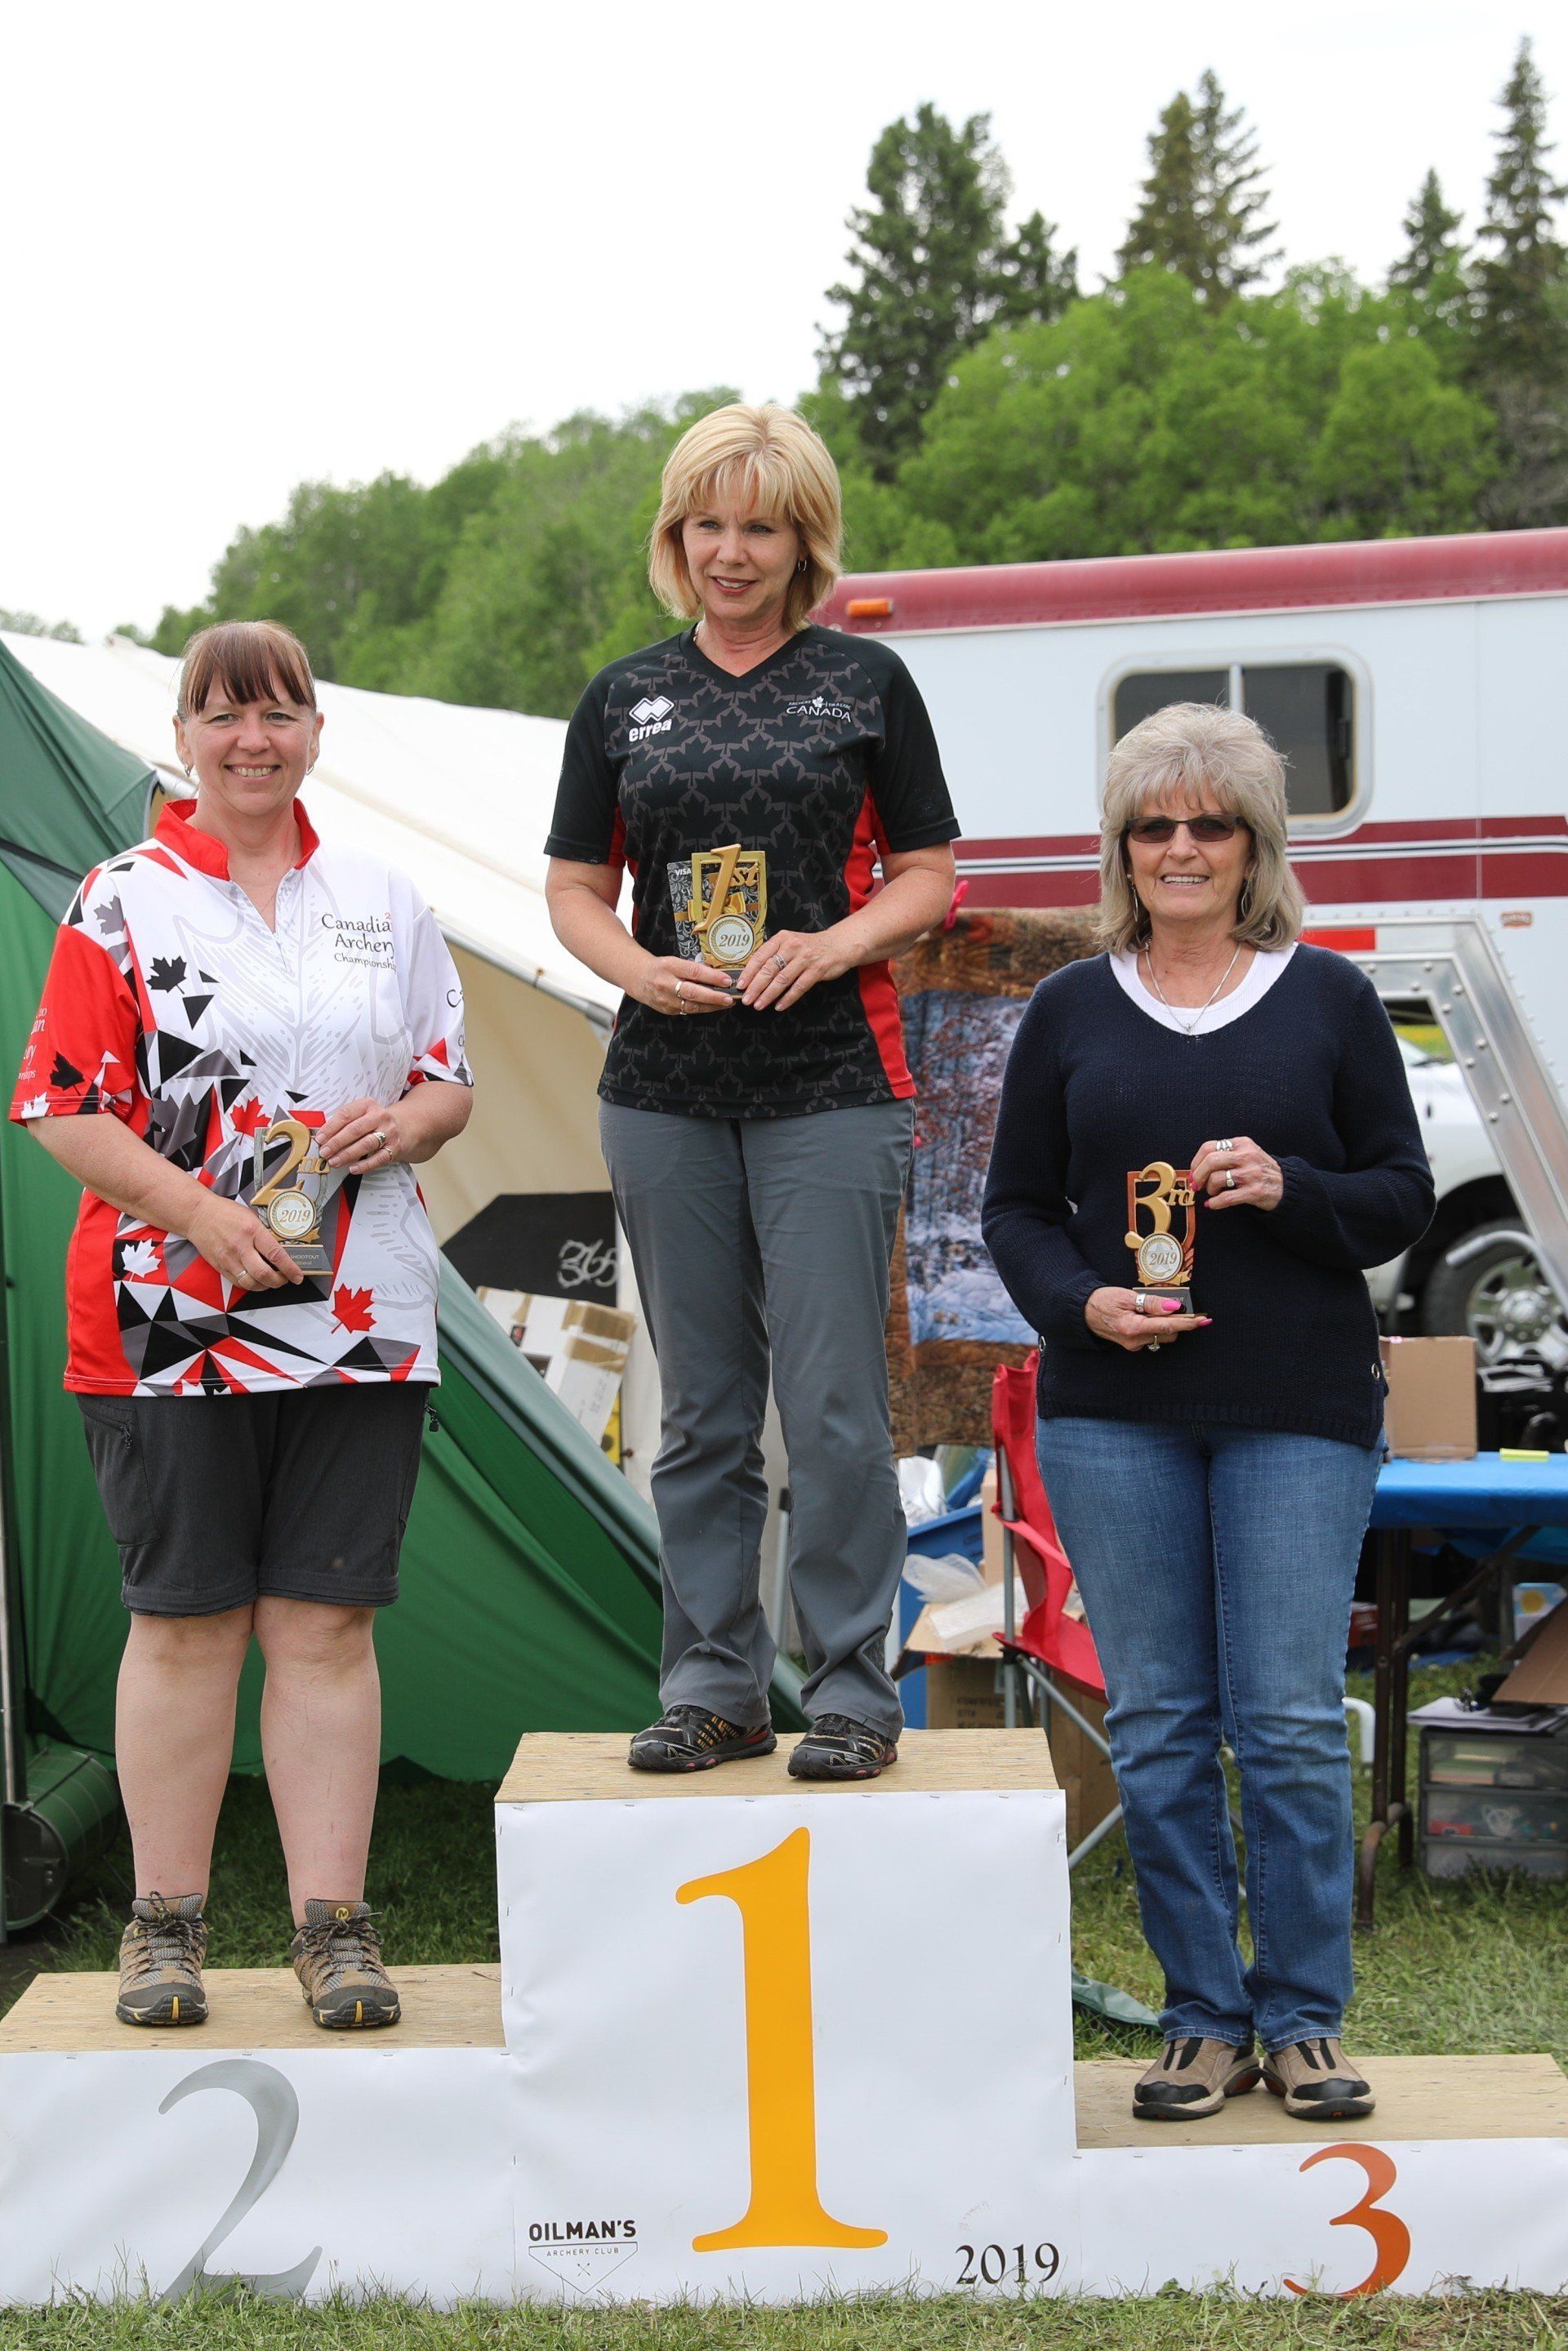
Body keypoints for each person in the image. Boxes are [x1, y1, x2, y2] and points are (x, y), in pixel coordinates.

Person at [11, 620, 473, 2031]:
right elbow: (60, 1104)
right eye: (224, 716)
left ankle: (333, 1929)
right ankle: (165, 1930)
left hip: (359, 1311)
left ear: (316, 732)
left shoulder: (385, 896)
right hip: (172, 1316)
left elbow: (448, 1078)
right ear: (186, 739)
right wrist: (199, 1213)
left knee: (327, 1625)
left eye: (278, 713)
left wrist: (410, 1118)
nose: (253, 739)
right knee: (190, 1625)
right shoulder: (122, 899)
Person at [982, 701, 1433, 2123]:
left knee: (1291, 1719)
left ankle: (1304, 2018)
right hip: (1114, 1404)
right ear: (1124, 846)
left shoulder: (1331, 999)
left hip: (1298, 1405)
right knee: (1166, 1721)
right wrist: (1082, 1305)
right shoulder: (1068, 1006)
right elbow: (1012, 1211)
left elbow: (1402, 1200)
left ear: (1255, 846)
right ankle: (1200, 2018)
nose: (1182, 846)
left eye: (1211, 824)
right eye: (1155, 824)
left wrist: (1291, 1186)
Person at [545, 402, 958, 1779]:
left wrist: (833, 946)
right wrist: (638, 970)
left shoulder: (866, 686)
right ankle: (716, 1686)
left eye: (760, 525)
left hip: (834, 1082)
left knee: (836, 1406)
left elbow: (929, 874)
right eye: (708, 523)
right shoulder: (620, 696)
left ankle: (849, 1690)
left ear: (804, 541)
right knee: (704, 1413)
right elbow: (573, 888)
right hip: (661, 1085)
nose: (732, 550)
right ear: (677, 535)